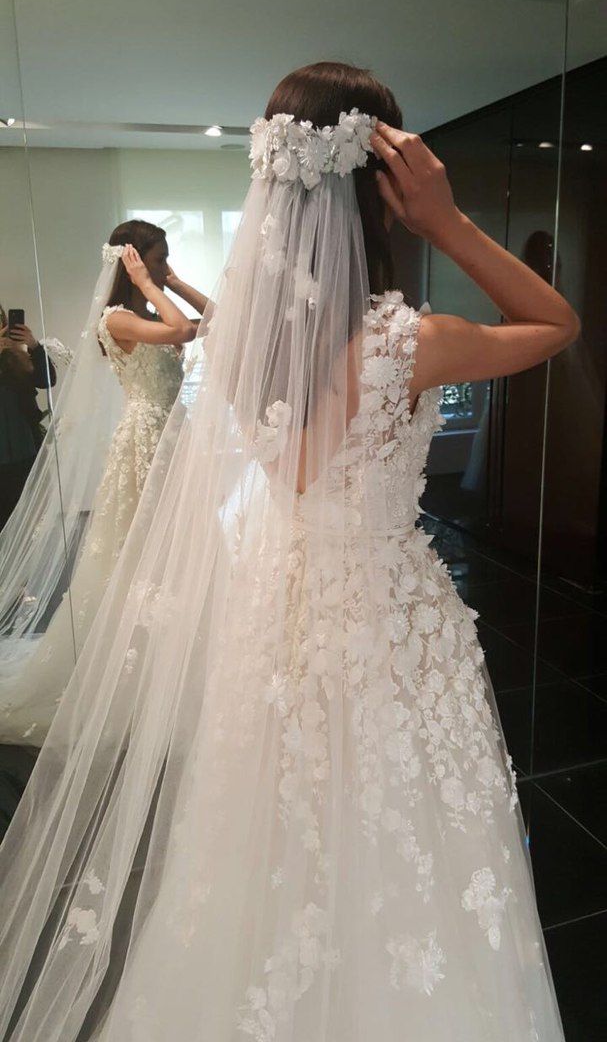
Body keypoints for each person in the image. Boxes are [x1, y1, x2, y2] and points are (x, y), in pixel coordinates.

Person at [0, 63, 578, 1040]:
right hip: (391, 621)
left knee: (276, 830)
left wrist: (159, 278)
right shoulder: (408, 341)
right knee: (401, 834)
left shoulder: (238, 345)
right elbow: (556, 323)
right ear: (382, 185)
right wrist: (448, 224)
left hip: (278, 610)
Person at [0, 220, 209, 745]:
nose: (163, 266)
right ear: (132, 263)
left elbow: (214, 322)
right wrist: (147, 284)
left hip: (174, 435)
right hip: (144, 440)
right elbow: (183, 332)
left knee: (185, 551)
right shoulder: (117, 319)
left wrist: (176, 283)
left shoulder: (143, 309)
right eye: (157, 258)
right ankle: (139, 666)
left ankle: (185, 659)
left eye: (164, 259)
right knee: (139, 557)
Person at [0, 312, 57, 530]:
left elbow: (47, 380)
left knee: (26, 518)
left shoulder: (18, 353)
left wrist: (33, 345)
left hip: (24, 445)